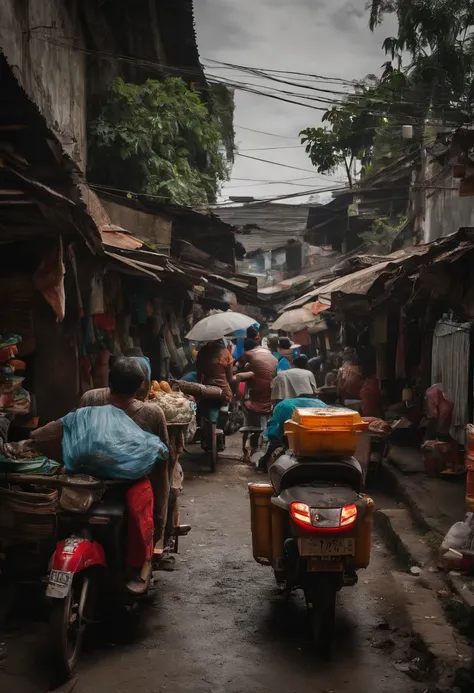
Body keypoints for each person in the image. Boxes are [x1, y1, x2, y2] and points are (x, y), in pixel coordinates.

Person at [31, 359, 170, 595]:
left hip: (84, 481)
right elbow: (162, 462)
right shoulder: (152, 413)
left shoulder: (90, 399)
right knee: (146, 508)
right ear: (140, 386)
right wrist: (160, 520)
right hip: (124, 484)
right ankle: (136, 566)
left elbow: (64, 429)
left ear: (109, 381)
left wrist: (29, 440)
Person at [259, 385, 329, 470]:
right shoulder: (321, 403)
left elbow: (275, 433)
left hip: (289, 414)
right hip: (318, 422)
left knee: (280, 438)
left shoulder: (283, 405)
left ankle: (263, 463)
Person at [236, 339, 277, 461]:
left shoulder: (249, 363)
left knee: (248, 420)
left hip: (254, 403)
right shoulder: (271, 359)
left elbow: (239, 381)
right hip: (268, 403)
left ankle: (246, 451)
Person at [196, 339, 234, 403]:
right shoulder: (225, 352)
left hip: (207, 390)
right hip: (224, 393)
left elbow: (199, 376)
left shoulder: (202, 352)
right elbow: (230, 378)